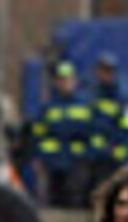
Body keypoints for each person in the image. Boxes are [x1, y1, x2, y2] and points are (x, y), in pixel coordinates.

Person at [33, 59, 97, 208]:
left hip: (77, 162)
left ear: (75, 81)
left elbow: (92, 132)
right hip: (54, 163)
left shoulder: (85, 105)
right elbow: (39, 134)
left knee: (75, 199)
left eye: (68, 79)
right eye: (62, 79)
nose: (65, 83)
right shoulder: (49, 107)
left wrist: (89, 155)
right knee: (54, 200)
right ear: (57, 82)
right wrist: (41, 156)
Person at [85, 51, 128, 196]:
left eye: (108, 70)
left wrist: (120, 147)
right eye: (101, 70)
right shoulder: (93, 93)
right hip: (97, 155)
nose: (104, 74)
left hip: (116, 155)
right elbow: (90, 123)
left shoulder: (124, 96)